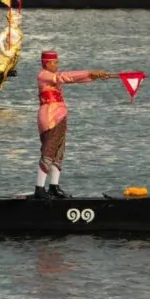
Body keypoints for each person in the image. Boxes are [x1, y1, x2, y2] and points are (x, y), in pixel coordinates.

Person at [33, 51, 110, 199]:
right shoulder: (43, 75)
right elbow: (65, 77)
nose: (57, 64)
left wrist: (93, 76)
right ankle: (39, 189)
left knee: (59, 152)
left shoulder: (51, 76)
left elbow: (72, 79)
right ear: (47, 63)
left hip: (59, 116)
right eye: (55, 62)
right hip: (49, 117)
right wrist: (89, 72)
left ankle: (54, 187)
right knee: (49, 151)